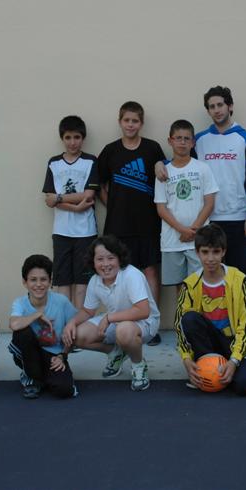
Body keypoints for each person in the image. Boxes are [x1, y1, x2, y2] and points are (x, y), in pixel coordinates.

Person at [97, 101, 165, 345]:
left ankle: (151, 326)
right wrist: (113, 205)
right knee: (120, 275)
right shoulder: (110, 151)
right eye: (126, 120)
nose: (130, 125)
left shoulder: (152, 149)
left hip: (148, 223)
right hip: (118, 226)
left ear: (141, 123)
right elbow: (100, 186)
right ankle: (122, 323)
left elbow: (164, 177)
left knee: (149, 271)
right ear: (120, 122)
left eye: (135, 121)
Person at [61, 236, 160, 392]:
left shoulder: (131, 275)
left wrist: (109, 317)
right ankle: (116, 353)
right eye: (100, 259)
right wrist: (71, 323)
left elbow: (143, 310)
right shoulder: (95, 280)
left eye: (110, 258)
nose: (105, 264)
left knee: (124, 331)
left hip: (145, 323)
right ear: (93, 262)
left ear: (119, 259)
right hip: (117, 320)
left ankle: (138, 365)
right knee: (78, 335)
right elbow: (88, 311)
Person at [174, 224, 246, 396]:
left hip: (236, 344)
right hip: (210, 344)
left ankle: (243, 368)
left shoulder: (240, 280)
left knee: (243, 386)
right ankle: (208, 366)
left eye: (215, 252)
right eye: (205, 252)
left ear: (223, 252)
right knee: (189, 318)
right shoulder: (190, 284)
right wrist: (186, 358)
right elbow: (179, 324)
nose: (210, 258)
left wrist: (234, 360)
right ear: (197, 252)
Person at [190, 86, 246, 274]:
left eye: (220, 105)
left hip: (238, 219)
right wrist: (160, 163)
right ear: (208, 111)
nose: (217, 110)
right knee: (211, 276)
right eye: (212, 106)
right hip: (207, 219)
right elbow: (180, 162)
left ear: (230, 106)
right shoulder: (199, 141)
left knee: (237, 276)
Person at [154, 119, 218, 296]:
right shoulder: (163, 173)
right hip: (172, 241)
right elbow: (161, 208)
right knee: (180, 288)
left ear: (193, 142)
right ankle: (182, 323)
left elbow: (209, 203)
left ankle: (199, 323)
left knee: (200, 286)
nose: (182, 142)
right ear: (170, 141)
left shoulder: (202, 168)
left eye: (186, 138)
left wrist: (193, 230)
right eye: (178, 138)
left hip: (199, 240)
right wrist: (182, 229)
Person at [43, 115, 99, 309]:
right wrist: (73, 206)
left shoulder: (91, 161)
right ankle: (65, 327)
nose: (73, 142)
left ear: (83, 138)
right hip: (61, 232)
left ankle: (79, 327)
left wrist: (59, 198)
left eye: (77, 137)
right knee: (62, 282)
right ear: (62, 138)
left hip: (85, 232)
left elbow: (89, 194)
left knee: (82, 283)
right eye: (68, 137)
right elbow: (49, 198)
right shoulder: (54, 163)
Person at [8, 255, 78, 399]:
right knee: (22, 331)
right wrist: (37, 315)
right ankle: (33, 377)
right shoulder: (20, 303)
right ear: (25, 282)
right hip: (30, 352)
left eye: (43, 279)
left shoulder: (61, 302)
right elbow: (14, 324)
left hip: (54, 355)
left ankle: (41, 378)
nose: (38, 284)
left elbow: (75, 332)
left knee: (64, 390)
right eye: (33, 279)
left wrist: (62, 356)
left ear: (50, 281)